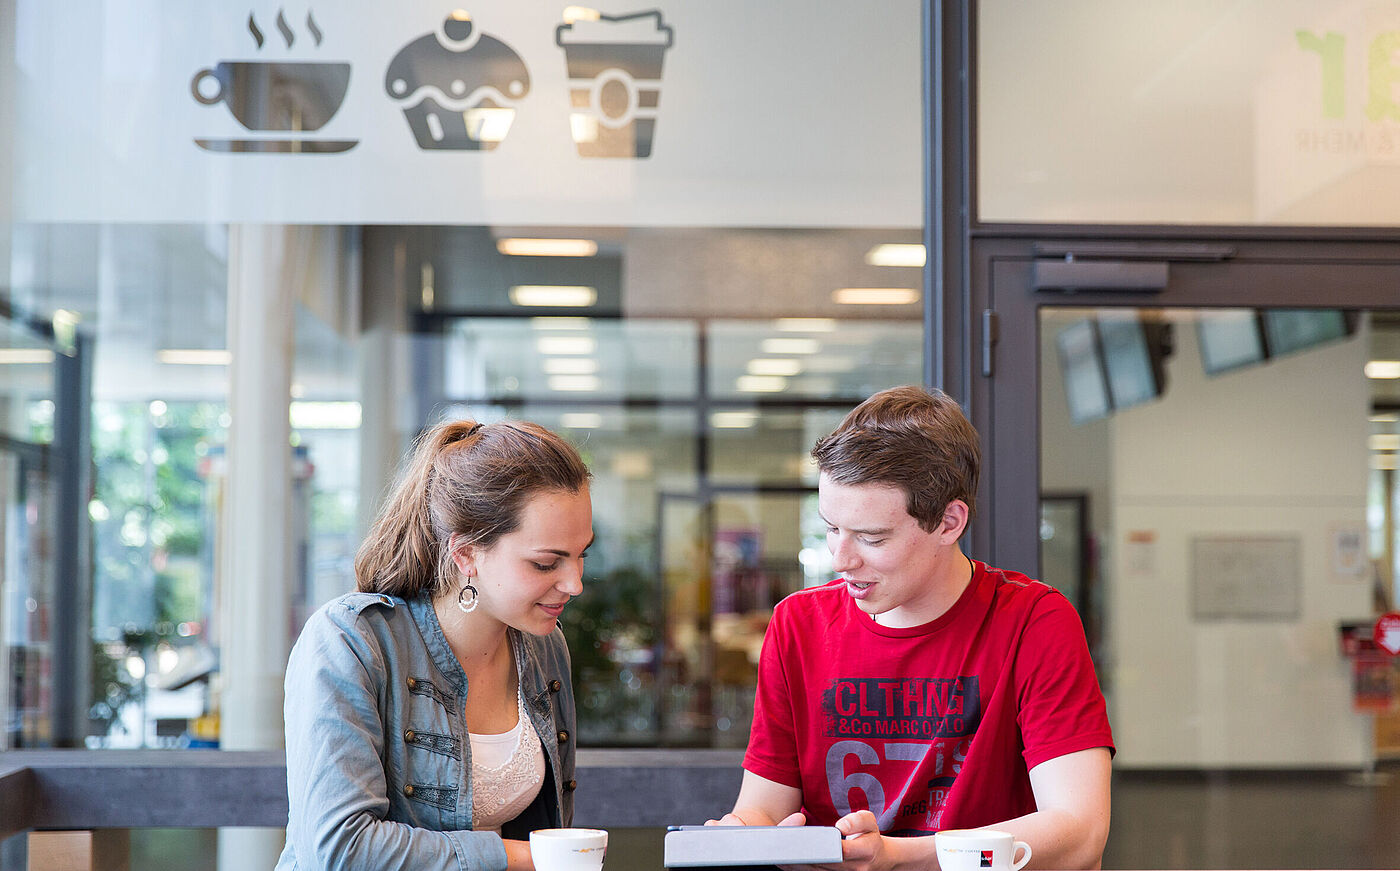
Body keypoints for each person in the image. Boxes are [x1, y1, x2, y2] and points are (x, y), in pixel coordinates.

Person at [710, 386, 1114, 870]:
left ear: (949, 522)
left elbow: (1080, 831)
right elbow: (763, 806)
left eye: (872, 537)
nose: (842, 559)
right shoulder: (797, 623)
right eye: (832, 528)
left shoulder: (1033, 621)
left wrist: (901, 856)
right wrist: (741, 834)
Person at [277, 418, 593, 871]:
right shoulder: (350, 641)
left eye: (583, 554)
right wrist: (519, 857)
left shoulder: (544, 648)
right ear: (465, 554)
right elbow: (340, 849)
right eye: (546, 563)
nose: (574, 583)